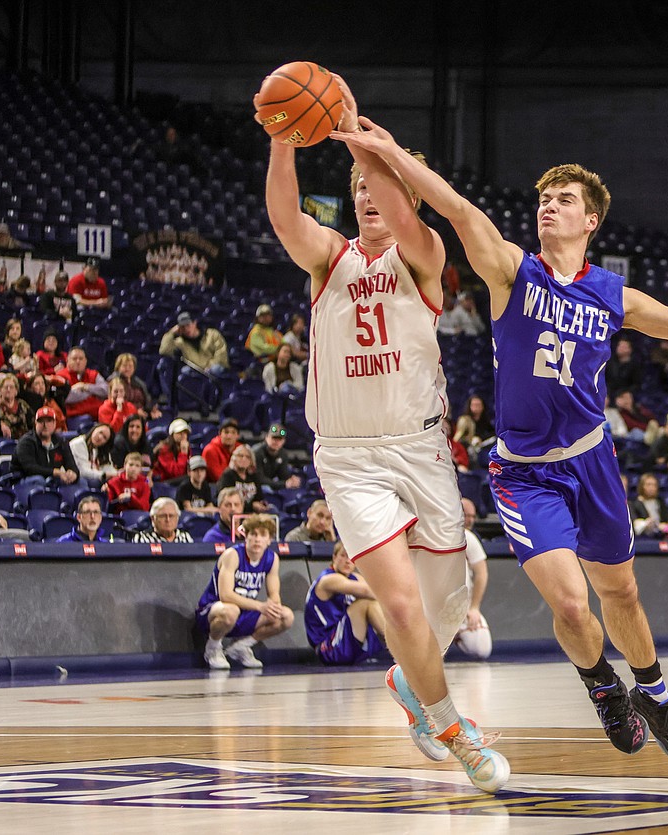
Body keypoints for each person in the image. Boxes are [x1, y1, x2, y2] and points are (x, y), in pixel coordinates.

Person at [335, 118, 668, 769]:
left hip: (591, 462)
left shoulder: (609, 292)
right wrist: (390, 155)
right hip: (525, 474)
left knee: (620, 595)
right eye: (544, 198)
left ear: (590, 220)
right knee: (569, 601)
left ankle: (656, 692)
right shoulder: (512, 271)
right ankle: (602, 685)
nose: (548, 205)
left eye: (564, 199)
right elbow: (454, 208)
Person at [267, 79, 506, 795]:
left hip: (422, 450)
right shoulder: (329, 259)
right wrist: (285, 136)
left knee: (443, 612)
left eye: (382, 186)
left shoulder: (424, 254)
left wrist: (377, 151)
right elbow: (285, 218)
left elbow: (409, 218)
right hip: (349, 457)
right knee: (398, 607)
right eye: (359, 188)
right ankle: (453, 728)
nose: (369, 198)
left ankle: (412, 679)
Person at [196, 514, 294, 669]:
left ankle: (242, 646)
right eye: (253, 534)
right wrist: (261, 606)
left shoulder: (272, 558)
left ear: (269, 540)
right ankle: (213, 648)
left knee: (286, 616)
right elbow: (226, 595)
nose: (257, 539)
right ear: (246, 536)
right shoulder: (233, 555)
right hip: (213, 609)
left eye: (262, 535)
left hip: (245, 612)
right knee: (231, 610)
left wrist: (273, 606)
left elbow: (274, 594)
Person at [305, 540, 388, 666]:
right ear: (334, 557)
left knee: (376, 602)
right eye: (343, 555)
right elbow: (367, 590)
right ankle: (401, 646)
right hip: (328, 647)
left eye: (351, 556)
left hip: (347, 642)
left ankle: (397, 647)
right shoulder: (328, 579)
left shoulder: (354, 577)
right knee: (365, 603)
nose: (348, 560)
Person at [454, 497, 493, 659]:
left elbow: (482, 573)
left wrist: (474, 607)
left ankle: (456, 636)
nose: (469, 520)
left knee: (482, 648)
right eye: (465, 515)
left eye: (472, 516)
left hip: (460, 607)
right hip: (430, 606)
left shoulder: (467, 537)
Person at [12, 406, 79, 486]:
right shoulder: (25, 442)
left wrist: (73, 474)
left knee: (81, 481)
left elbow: (72, 465)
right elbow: (30, 468)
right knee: (39, 480)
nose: (45, 425)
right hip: (23, 480)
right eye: (41, 421)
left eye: (49, 421)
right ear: (35, 423)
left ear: (54, 424)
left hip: (51, 478)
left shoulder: (61, 442)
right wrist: (55, 472)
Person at [158, 311, 229, 375]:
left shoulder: (212, 334)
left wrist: (209, 366)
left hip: (212, 368)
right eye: (183, 327)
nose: (186, 329)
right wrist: (171, 332)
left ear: (194, 323)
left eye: (188, 325)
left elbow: (221, 354)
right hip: (195, 371)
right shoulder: (180, 342)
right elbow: (164, 351)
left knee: (216, 368)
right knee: (185, 371)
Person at [216, 443, 271, 513]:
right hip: (234, 512)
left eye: (247, 457)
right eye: (240, 456)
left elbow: (259, 497)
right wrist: (251, 506)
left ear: (251, 461)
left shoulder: (254, 476)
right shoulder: (228, 475)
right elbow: (226, 500)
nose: (244, 459)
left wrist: (261, 504)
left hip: (253, 513)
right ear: (234, 458)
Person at [251, 423, 303, 490]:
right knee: (266, 488)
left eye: (279, 439)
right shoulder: (257, 452)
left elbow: (283, 474)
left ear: (283, 441)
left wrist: (291, 479)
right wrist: (284, 484)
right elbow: (259, 478)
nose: (276, 441)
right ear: (266, 437)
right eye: (274, 438)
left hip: (270, 483)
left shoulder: (283, 454)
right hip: (254, 485)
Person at [109, 353, 160, 419]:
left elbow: (147, 399)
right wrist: (135, 412)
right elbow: (116, 403)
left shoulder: (138, 382)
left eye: (130, 366)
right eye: (124, 366)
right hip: (124, 415)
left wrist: (151, 410)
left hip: (142, 413)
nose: (127, 369)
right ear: (118, 367)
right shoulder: (114, 381)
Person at [0, 373, 33, 440]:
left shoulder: (22, 404)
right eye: (6, 387)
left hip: (24, 442)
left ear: (16, 391)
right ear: (0, 390)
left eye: (11, 387)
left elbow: (32, 422)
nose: (8, 389)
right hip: (3, 440)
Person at [69, 422, 117, 486]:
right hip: (75, 479)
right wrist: (103, 475)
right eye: (100, 432)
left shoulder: (100, 449)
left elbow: (108, 467)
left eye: (104, 438)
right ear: (94, 429)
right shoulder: (78, 444)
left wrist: (118, 475)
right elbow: (82, 471)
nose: (100, 437)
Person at [629, 473, 668, 538]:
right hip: (643, 537)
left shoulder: (660, 502)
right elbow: (635, 524)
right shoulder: (634, 504)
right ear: (642, 486)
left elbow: (666, 519)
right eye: (648, 485)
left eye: (654, 485)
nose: (651, 488)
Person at [245, 303, 285, 367]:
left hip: (277, 361)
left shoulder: (275, 332)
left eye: (268, 315)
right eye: (263, 315)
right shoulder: (256, 331)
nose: (266, 318)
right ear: (258, 318)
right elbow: (262, 348)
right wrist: (279, 350)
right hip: (261, 363)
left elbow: (284, 344)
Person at [153, 418, 191, 484]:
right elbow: (176, 473)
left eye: (185, 433)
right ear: (172, 434)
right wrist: (183, 453)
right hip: (164, 483)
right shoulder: (163, 450)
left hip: (179, 481)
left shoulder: (185, 447)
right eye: (179, 433)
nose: (183, 435)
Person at [202, 418, 240, 483]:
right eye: (226, 432)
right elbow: (218, 478)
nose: (229, 436)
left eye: (233, 432)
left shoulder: (240, 449)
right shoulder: (210, 450)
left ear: (238, 436)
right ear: (220, 434)